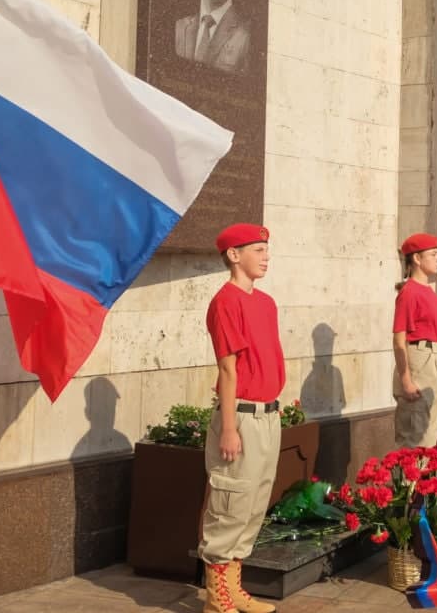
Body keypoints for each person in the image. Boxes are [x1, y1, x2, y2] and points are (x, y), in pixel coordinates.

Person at [198, 223, 282, 613]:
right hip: (241, 417)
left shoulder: (265, 303)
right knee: (230, 504)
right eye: (258, 249)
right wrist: (229, 429)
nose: (266, 256)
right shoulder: (226, 302)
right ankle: (217, 597)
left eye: (267, 249)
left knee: (253, 504)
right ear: (234, 255)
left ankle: (235, 588)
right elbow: (228, 370)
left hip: (269, 416)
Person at [392, 232, 437, 448]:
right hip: (420, 360)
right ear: (417, 258)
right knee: (414, 435)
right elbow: (399, 340)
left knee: (429, 432)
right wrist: (405, 379)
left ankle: (421, 480)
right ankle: (406, 481)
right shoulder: (410, 292)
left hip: (436, 358)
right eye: (433, 254)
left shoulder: (427, 291)